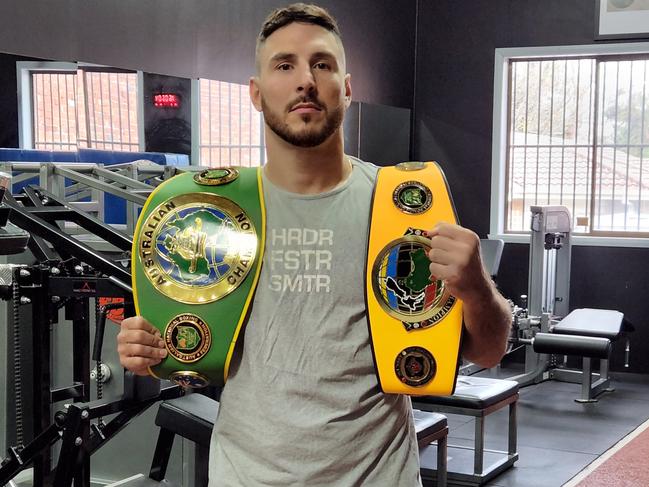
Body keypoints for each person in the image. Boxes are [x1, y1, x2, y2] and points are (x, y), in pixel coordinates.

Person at [118, 3, 512, 485]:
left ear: (346, 87)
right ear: (257, 94)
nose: (305, 79)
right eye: (285, 65)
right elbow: (178, 351)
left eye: (321, 64)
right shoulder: (213, 219)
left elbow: (489, 352)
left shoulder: (403, 207)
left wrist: (475, 285)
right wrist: (146, 346)